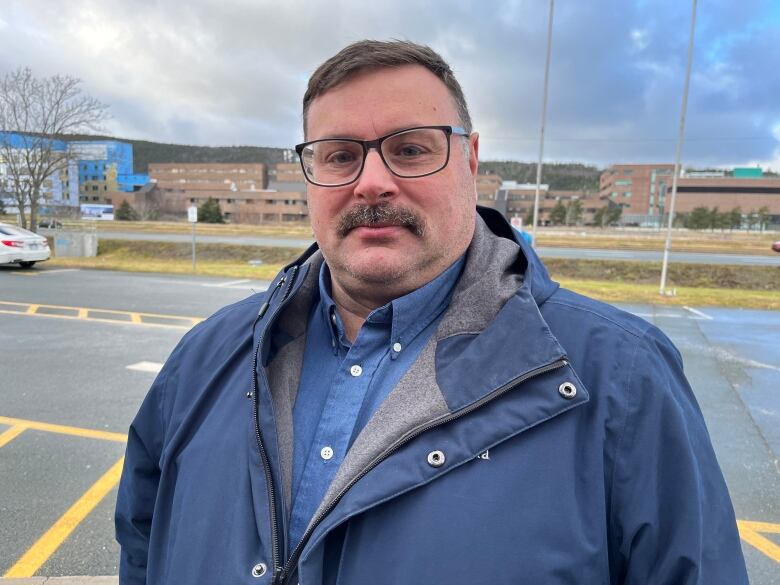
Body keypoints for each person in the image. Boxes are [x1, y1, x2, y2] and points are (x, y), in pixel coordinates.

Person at [115, 40, 749, 585]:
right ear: (309, 176)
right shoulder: (205, 356)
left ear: (471, 161)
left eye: (411, 150)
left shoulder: (622, 379)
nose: (371, 182)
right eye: (339, 155)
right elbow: (144, 542)